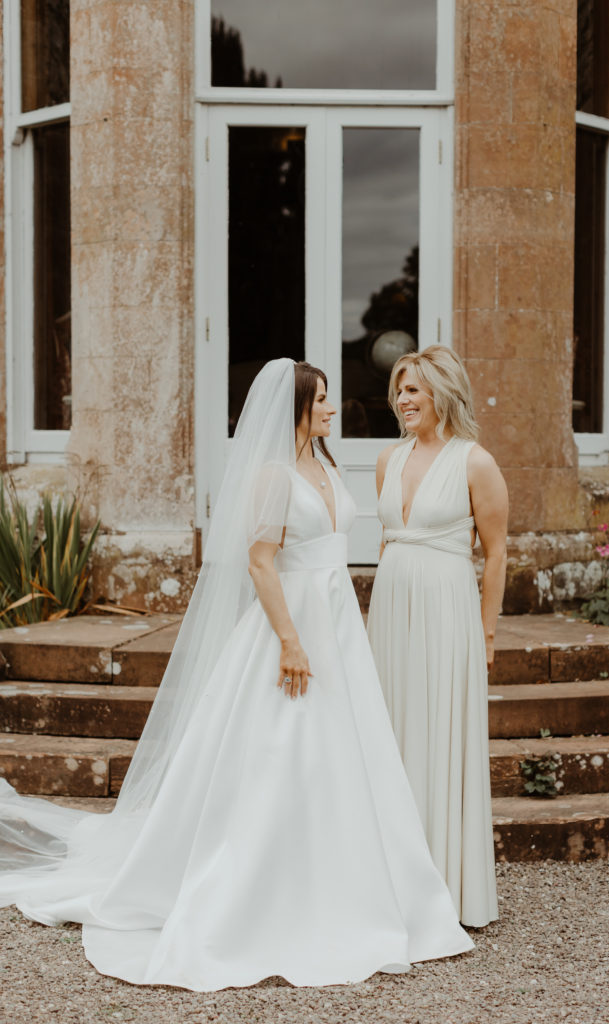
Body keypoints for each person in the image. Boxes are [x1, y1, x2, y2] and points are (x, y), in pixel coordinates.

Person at [0, 358, 473, 991]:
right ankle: (262, 891)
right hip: (294, 629)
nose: (335, 409)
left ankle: (350, 881)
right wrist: (289, 643)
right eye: (324, 400)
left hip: (339, 630)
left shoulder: (327, 466)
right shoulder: (274, 477)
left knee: (345, 754)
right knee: (282, 753)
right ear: (297, 410)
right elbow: (259, 563)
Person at [367, 346, 508, 929]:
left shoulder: (475, 462)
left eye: (414, 390)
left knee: (439, 731)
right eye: (399, 389)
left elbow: (497, 553)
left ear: (442, 395)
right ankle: (391, 880)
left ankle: (447, 885)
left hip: (448, 612)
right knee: (392, 733)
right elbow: (386, 541)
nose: (402, 399)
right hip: (391, 605)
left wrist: (488, 633)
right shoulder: (387, 460)